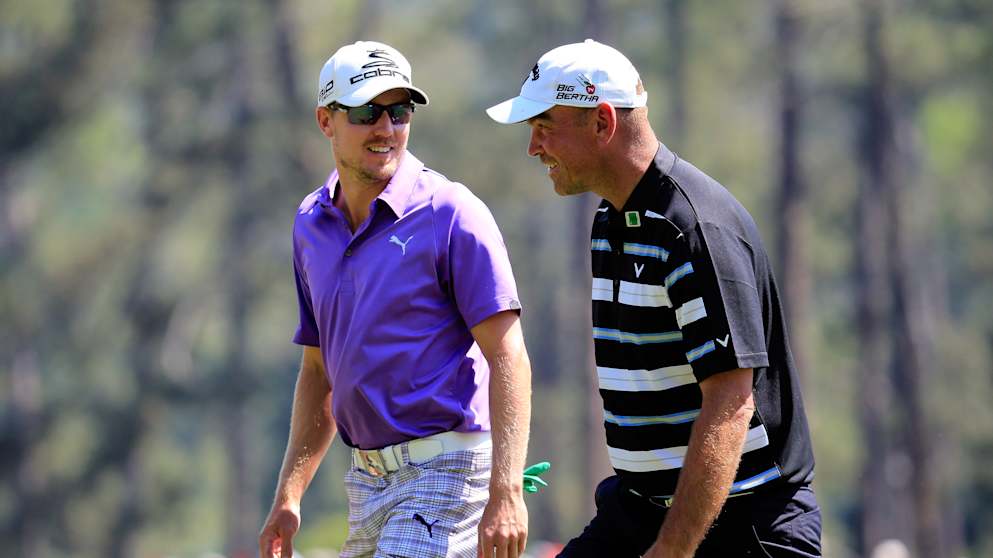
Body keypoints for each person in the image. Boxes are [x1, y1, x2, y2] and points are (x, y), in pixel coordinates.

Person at [486, 40, 821, 558]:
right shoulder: (609, 221)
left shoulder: (694, 230)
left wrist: (672, 548)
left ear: (602, 122)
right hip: (642, 512)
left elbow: (730, 405)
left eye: (545, 126)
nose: (534, 147)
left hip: (745, 525)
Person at [259, 41, 532, 558]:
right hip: (367, 484)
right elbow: (319, 370)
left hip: (449, 473)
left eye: (399, 110)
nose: (386, 129)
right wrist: (289, 494)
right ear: (326, 120)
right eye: (366, 112)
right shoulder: (310, 223)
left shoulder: (451, 212)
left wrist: (507, 490)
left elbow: (509, 355)